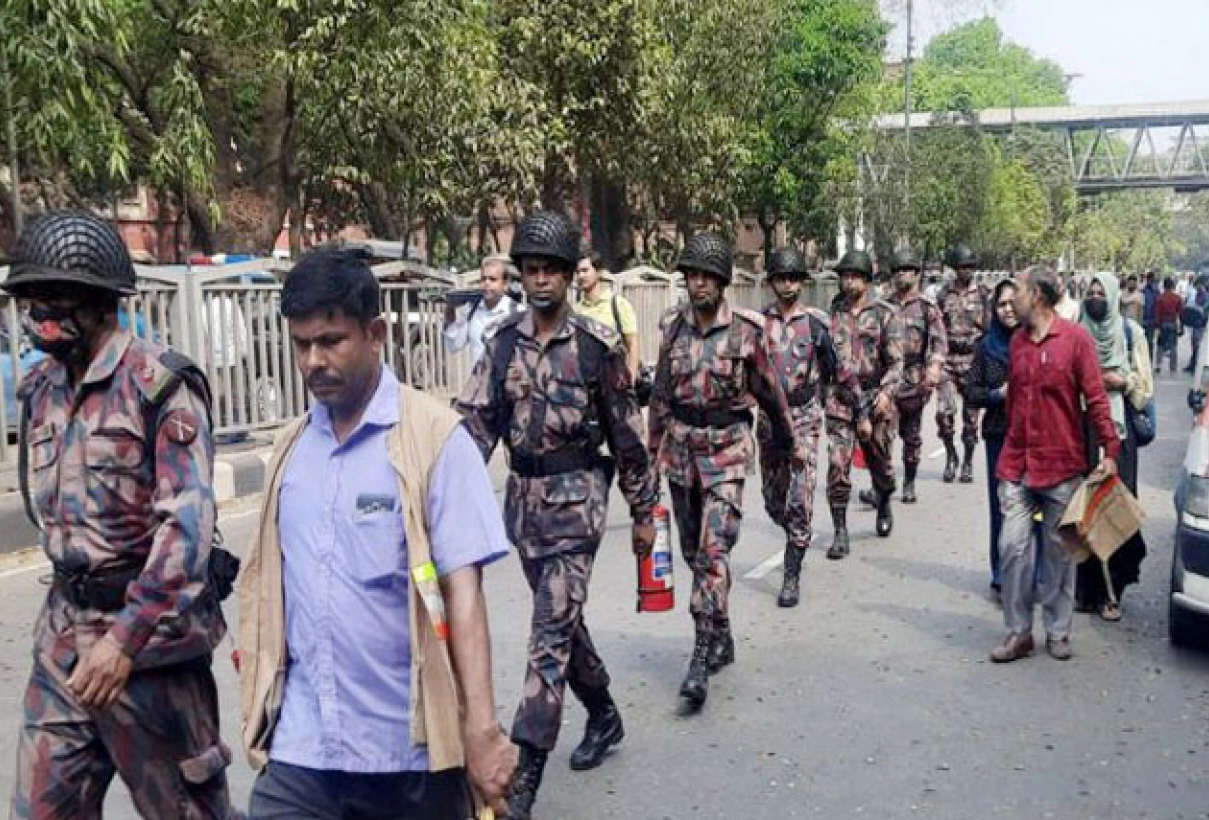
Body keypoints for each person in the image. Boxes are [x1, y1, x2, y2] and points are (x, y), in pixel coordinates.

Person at [237, 248, 517, 819]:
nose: (314, 360)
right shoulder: (291, 451)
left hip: (407, 755)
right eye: (301, 344)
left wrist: (482, 728)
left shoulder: (434, 441)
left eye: (331, 341)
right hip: (304, 750)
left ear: (376, 333)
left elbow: (464, 593)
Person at [5, 212, 237, 818]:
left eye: (51, 299)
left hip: (152, 647)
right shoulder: (40, 388)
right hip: (63, 639)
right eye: (30, 300)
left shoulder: (158, 387)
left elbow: (187, 526)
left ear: (99, 302)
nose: (38, 317)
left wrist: (126, 641)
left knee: (185, 811)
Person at [455, 212, 658, 818]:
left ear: (571, 276)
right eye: (531, 269)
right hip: (523, 511)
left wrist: (643, 511)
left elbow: (628, 438)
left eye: (551, 269)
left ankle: (520, 790)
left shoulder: (596, 350)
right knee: (564, 626)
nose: (540, 279)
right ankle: (604, 713)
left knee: (546, 642)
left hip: (578, 508)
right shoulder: (502, 346)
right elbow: (472, 431)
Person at [648, 232, 794, 711]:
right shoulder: (672, 328)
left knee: (713, 554)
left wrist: (787, 445)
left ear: (723, 281)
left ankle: (699, 657)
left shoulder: (747, 332)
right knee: (694, 553)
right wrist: (650, 460)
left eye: (708, 276)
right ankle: (723, 630)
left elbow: (771, 393)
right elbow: (660, 397)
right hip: (681, 454)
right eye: (692, 275)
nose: (699, 283)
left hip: (728, 452)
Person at [990, 268, 1120, 664]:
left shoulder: (1075, 340)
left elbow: (1096, 399)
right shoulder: (1016, 342)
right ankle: (1018, 632)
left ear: (1039, 297)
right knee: (1012, 546)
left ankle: (1058, 630)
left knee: (1059, 553)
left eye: (1020, 292)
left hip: (1062, 464)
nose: (1012, 300)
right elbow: (1014, 402)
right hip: (1017, 462)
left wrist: (1110, 450)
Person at [758, 246, 840, 608]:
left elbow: (833, 370)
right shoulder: (758, 324)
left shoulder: (817, 324)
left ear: (801, 283)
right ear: (772, 281)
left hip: (805, 417)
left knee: (799, 497)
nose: (787, 285)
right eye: (781, 278)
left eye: (793, 278)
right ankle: (789, 527)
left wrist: (822, 403)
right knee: (773, 499)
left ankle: (792, 572)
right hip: (770, 420)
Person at [1075, 272, 1153, 623]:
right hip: (1081, 428)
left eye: (1100, 292)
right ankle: (1086, 588)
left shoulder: (1130, 333)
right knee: (1082, 509)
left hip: (1119, 433)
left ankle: (1113, 592)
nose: (1095, 298)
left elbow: (1145, 387)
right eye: (1089, 293)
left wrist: (1122, 381)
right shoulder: (1076, 333)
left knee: (1115, 506)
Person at [824, 250, 905, 558]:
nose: (849, 281)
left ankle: (883, 499)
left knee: (881, 465)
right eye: (845, 276)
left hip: (875, 399)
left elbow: (897, 362)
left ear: (867, 280)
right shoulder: (833, 313)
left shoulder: (886, 313)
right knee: (837, 465)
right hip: (841, 401)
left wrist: (886, 394)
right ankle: (840, 530)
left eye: (855, 276)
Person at [878, 250, 946, 505]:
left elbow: (939, 341)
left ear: (916, 275)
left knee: (912, 437)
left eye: (907, 270)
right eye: (898, 270)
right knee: (882, 436)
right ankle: (882, 486)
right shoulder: (882, 306)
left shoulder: (927, 308)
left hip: (915, 380)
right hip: (888, 381)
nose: (902, 275)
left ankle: (909, 482)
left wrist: (935, 368)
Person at [965, 279, 1019, 593]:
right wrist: (998, 394)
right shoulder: (987, 346)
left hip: (1033, 437)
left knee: (1035, 507)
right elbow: (971, 391)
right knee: (1001, 505)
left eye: (1013, 303)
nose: (1008, 310)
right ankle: (1000, 572)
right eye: (1001, 304)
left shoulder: (1034, 340)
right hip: (999, 433)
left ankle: (1034, 572)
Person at [936, 244, 987, 485]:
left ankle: (967, 461)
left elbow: (990, 329)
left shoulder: (984, 295)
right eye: (963, 267)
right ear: (955, 269)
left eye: (971, 267)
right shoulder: (943, 295)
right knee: (944, 414)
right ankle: (951, 456)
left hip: (973, 362)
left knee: (971, 419)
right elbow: (936, 328)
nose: (967, 271)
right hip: (948, 361)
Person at [574, 251, 641, 378]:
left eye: (585, 270)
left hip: (614, 382)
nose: (580, 276)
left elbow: (633, 344)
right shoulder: (575, 311)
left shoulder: (617, 305)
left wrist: (630, 380)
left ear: (598, 272)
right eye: (577, 272)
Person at [443, 255, 518, 367]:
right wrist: (450, 310)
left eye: (493, 279)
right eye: (483, 279)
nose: (487, 283)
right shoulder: (472, 310)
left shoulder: (517, 313)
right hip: (478, 382)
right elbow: (453, 345)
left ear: (505, 284)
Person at [1153, 276, 1185, 374]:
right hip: (1173, 323)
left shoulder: (1160, 298)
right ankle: (1173, 367)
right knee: (1173, 346)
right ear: (1173, 286)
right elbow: (1181, 314)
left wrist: (1157, 326)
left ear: (1164, 286)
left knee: (1160, 345)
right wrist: (1181, 327)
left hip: (1162, 323)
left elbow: (1157, 313)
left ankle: (1158, 365)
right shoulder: (1177, 298)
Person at [1184, 275, 1209, 373]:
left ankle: (1195, 366)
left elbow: (1204, 309)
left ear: (1200, 285)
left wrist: (1197, 309)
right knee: (1194, 345)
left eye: (1197, 286)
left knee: (1197, 346)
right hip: (1196, 323)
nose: (1196, 288)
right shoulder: (1198, 294)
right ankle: (1193, 364)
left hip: (1201, 324)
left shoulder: (1206, 296)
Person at [1141, 271, 1161, 360]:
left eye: (1152, 280)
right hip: (1143, 320)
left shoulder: (1156, 292)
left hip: (1151, 321)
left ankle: (1149, 360)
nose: (1151, 282)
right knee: (1142, 342)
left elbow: (1158, 306)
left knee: (1149, 342)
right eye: (1150, 280)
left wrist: (1157, 321)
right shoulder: (1142, 291)